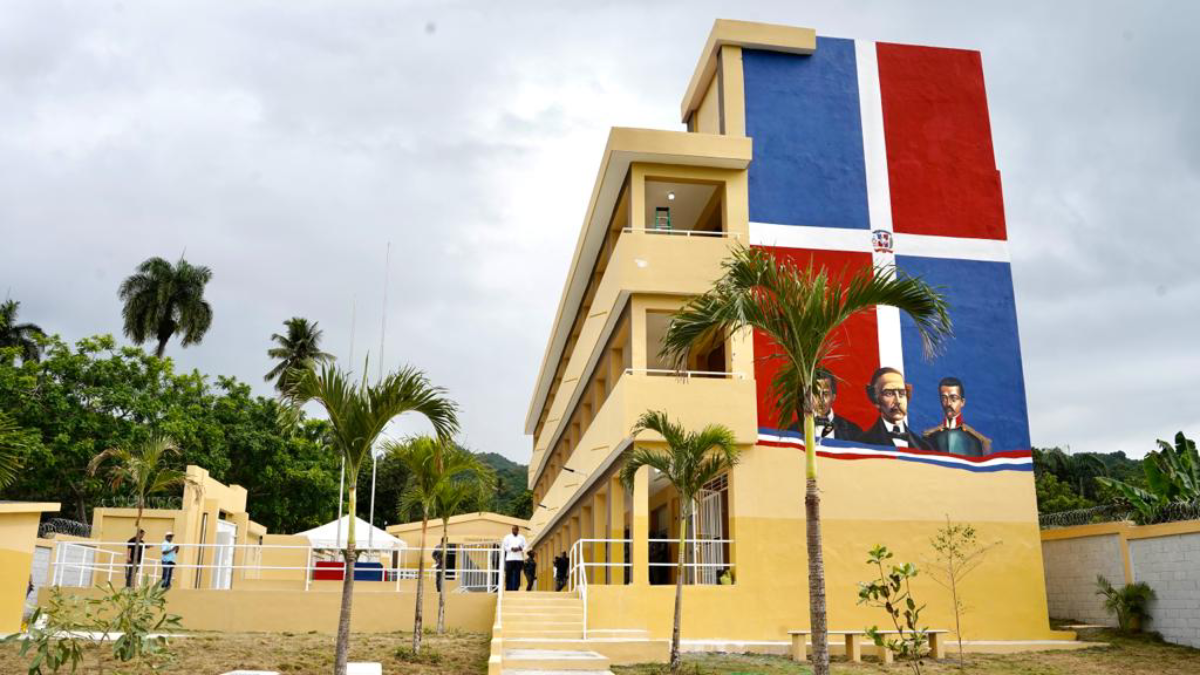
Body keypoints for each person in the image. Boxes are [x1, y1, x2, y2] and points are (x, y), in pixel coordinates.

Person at [857, 367, 930, 449]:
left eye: (902, 393)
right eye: (889, 393)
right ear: (875, 398)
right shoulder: (863, 443)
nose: (897, 401)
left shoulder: (923, 446)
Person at [786, 368, 863, 440]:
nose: (821, 400)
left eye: (825, 394)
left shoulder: (853, 431)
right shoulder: (794, 430)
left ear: (833, 397)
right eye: (816, 394)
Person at [923, 377, 992, 457]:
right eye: (944, 398)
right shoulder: (930, 437)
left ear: (962, 402)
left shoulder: (978, 440)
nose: (948, 403)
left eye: (953, 398)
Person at [501, 525, 527, 592]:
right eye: (513, 530)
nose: (514, 531)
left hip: (519, 559)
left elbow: (525, 546)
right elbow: (504, 546)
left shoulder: (522, 537)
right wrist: (511, 549)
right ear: (512, 530)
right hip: (509, 558)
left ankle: (516, 588)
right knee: (509, 574)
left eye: (516, 530)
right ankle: (508, 588)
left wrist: (520, 549)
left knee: (517, 574)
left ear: (518, 530)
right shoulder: (507, 537)